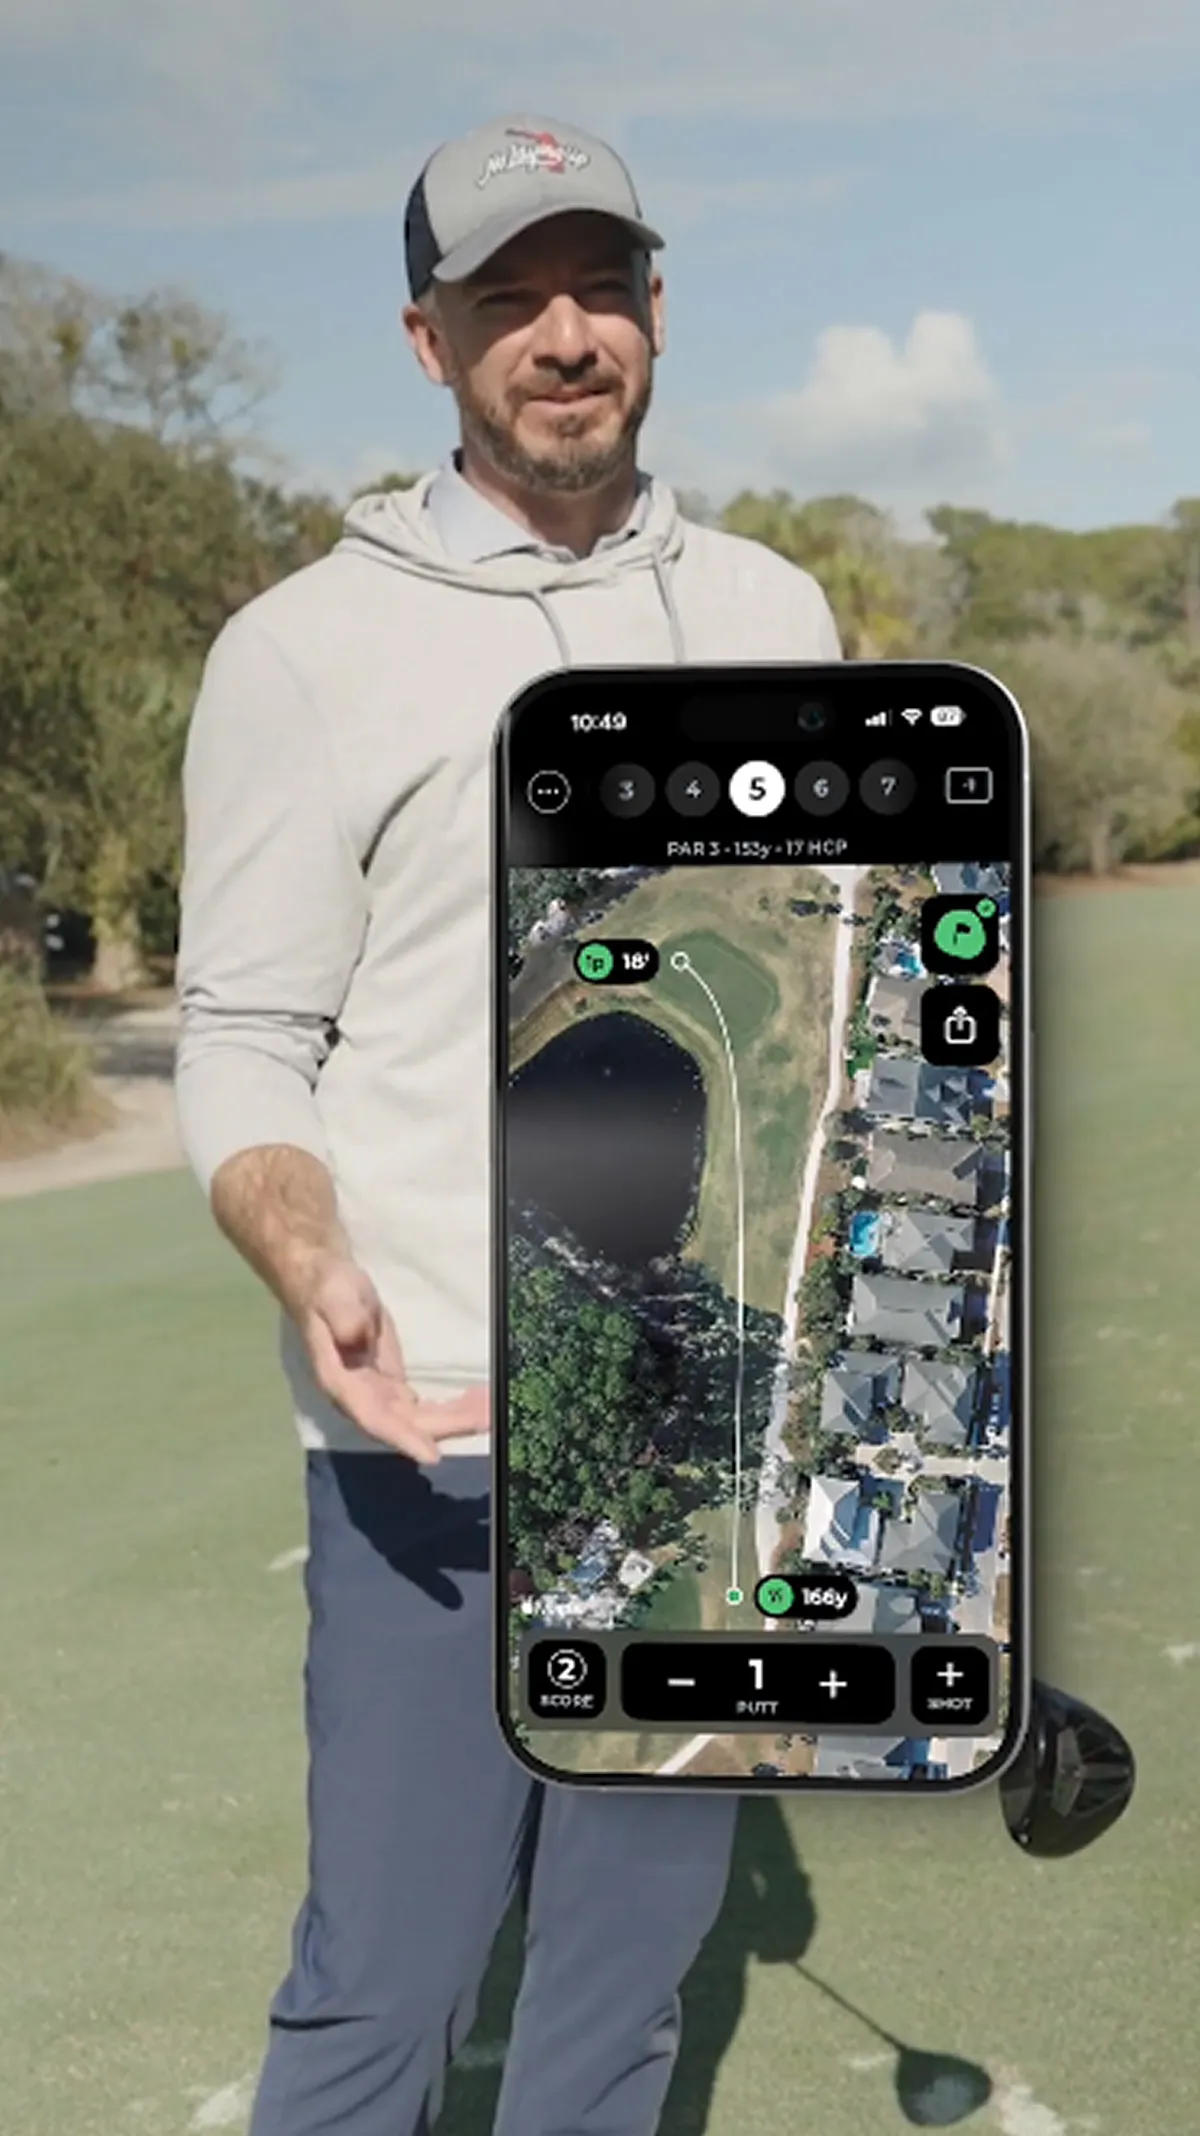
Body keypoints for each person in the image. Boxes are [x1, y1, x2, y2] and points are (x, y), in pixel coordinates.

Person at [174, 113, 841, 2136]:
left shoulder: (778, 615)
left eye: (602, 285)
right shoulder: (305, 649)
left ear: (653, 309)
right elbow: (241, 1035)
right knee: (386, 1991)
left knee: (617, 2013)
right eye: (509, 298)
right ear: (425, 336)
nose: (566, 335)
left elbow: (823, 1020)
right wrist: (312, 1262)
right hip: (436, 1431)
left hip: (699, 1435)